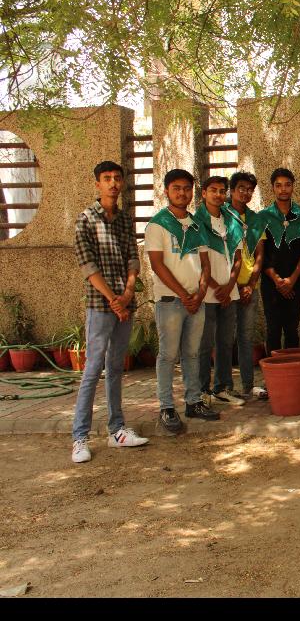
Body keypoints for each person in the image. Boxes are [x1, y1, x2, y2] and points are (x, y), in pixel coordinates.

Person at [70, 160, 148, 463]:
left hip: (123, 304)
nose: (113, 183)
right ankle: (80, 437)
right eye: (107, 178)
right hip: (100, 306)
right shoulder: (86, 220)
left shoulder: (125, 220)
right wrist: (113, 299)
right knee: (92, 370)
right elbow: (88, 266)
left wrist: (127, 294)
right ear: (97, 184)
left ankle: (117, 430)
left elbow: (133, 258)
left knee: (116, 368)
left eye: (117, 178)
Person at [145, 169, 216, 435]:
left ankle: (193, 401)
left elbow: (205, 264)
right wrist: (184, 295)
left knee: (193, 354)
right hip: (171, 301)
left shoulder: (197, 225)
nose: (182, 193)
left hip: (196, 302)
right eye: (176, 188)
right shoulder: (157, 224)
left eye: (187, 188)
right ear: (166, 191)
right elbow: (157, 264)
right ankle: (166, 407)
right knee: (167, 355)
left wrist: (198, 294)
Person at [193, 175, 244, 407]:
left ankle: (222, 387)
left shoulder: (232, 220)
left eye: (222, 191)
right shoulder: (195, 222)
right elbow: (198, 262)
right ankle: (202, 389)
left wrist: (230, 285)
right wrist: (216, 288)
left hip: (229, 292)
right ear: (203, 193)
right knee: (205, 344)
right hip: (208, 292)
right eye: (213, 190)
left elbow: (238, 258)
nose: (218, 195)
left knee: (225, 342)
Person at [259, 168, 300, 354]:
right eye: (278, 185)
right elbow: (261, 254)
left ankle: (294, 376)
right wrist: (277, 280)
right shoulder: (263, 217)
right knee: (273, 330)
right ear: (272, 188)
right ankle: (272, 379)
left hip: (295, 282)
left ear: (293, 187)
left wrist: (292, 280)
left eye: (287, 185)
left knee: (292, 330)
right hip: (270, 282)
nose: (283, 189)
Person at [227, 171, 268, 400]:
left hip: (248, 287)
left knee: (246, 337)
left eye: (250, 189)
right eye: (241, 188)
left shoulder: (255, 219)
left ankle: (247, 385)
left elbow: (260, 254)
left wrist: (251, 284)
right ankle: (222, 387)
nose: (245, 192)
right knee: (223, 339)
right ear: (232, 190)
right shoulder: (222, 216)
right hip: (225, 288)